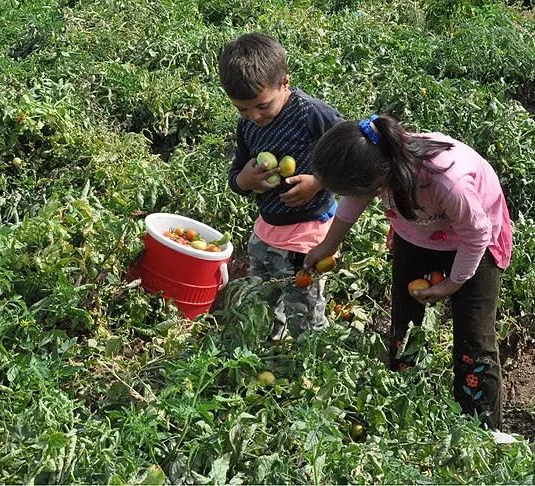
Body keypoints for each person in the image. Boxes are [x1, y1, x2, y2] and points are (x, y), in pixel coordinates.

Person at [303, 114, 513, 430]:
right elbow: (352, 200)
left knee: (474, 343)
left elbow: (477, 233)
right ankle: (404, 402)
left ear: (378, 180)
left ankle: (482, 431)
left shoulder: (445, 181)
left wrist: (453, 284)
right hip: (416, 236)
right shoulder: (376, 164)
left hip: (472, 244)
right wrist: (328, 246)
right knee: (405, 324)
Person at [218, 32, 343, 342]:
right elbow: (237, 174)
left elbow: (352, 155)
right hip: (267, 228)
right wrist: (244, 181)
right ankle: (270, 349)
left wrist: (319, 182)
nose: (254, 116)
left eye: (262, 106)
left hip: (307, 233)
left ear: (284, 82)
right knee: (262, 299)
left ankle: (308, 365)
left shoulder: (312, 115)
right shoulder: (247, 124)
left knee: (303, 306)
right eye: (242, 109)